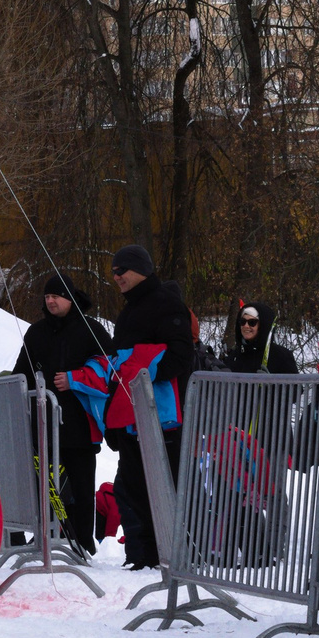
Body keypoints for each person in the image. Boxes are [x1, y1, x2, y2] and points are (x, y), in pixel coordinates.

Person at [82, 244, 194, 571]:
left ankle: (174, 555)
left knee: (167, 485)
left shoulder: (167, 302)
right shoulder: (128, 311)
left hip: (163, 417)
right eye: (113, 271)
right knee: (130, 486)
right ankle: (140, 555)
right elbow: (119, 367)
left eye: (122, 270)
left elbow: (180, 354)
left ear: (141, 269)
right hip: (129, 417)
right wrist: (114, 420)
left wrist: (143, 375)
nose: (116, 277)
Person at [12, 273, 112, 555]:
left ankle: (82, 541)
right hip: (42, 423)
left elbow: (110, 367)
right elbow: (22, 373)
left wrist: (76, 378)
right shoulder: (36, 332)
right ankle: (46, 535)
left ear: (70, 298)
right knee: (44, 482)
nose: (51, 301)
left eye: (56, 296)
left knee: (80, 485)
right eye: (47, 297)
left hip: (80, 423)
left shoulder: (90, 329)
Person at [223, 302, 300, 375]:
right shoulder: (235, 355)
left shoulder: (281, 356)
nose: (246, 326)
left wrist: (272, 383)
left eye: (252, 322)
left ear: (262, 326)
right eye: (243, 321)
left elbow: (296, 388)